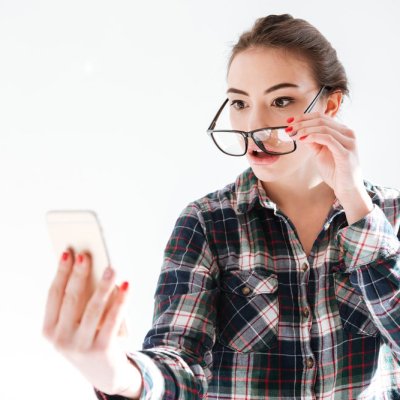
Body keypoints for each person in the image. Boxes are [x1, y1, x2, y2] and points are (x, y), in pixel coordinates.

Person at [42, 13, 400, 399]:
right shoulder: (207, 223)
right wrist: (119, 375)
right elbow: (178, 361)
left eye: (281, 101)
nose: (253, 126)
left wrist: (358, 208)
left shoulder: (389, 216)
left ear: (330, 105)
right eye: (240, 103)